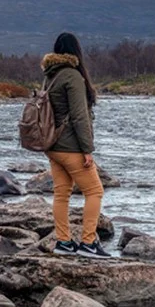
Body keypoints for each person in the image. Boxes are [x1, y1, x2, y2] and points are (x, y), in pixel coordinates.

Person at [41, 32, 110, 258]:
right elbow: (80, 117)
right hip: (70, 147)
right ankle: (89, 243)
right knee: (95, 191)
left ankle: (63, 242)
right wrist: (87, 149)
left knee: (61, 194)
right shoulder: (72, 76)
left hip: (52, 145)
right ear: (75, 51)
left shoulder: (50, 75)